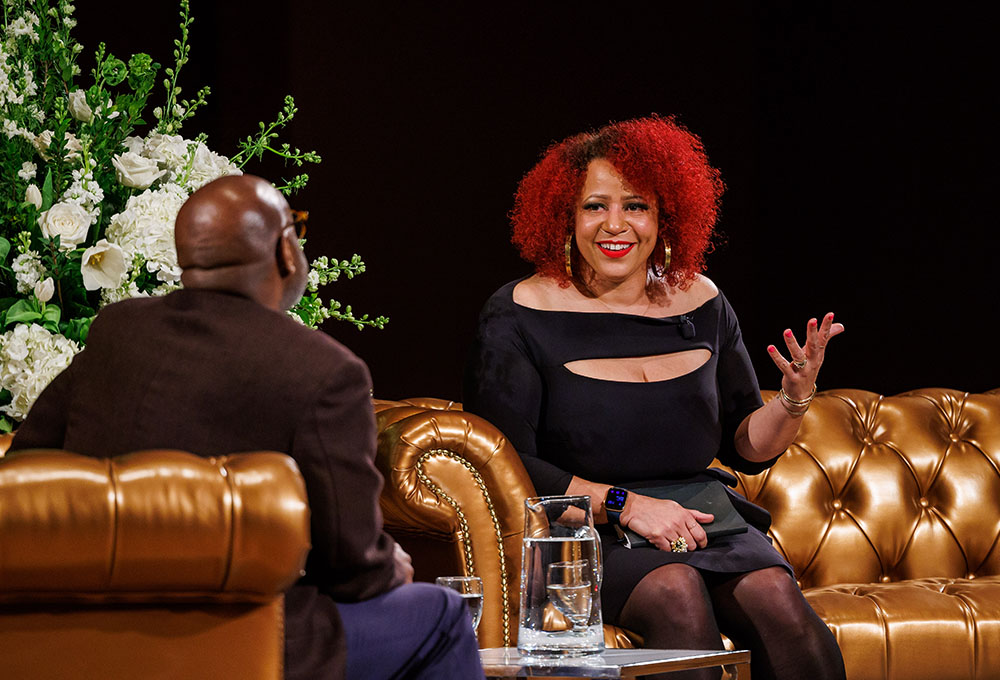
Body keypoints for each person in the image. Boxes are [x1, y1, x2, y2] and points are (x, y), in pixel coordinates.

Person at [10, 175, 485, 680]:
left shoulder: (117, 331)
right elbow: (354, 569)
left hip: (96, 643)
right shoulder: (324, 371)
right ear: (286, 251)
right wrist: (392, 564)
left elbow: (24, 470)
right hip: (250, 644)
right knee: (442, 616)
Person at [464, 116, 847, 680]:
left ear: (665, 217)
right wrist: (628, 505)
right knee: (676, 590)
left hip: (701, 518)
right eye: (595, 206)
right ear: (565, 218)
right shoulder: (519, 312)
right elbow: (512, 466)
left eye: (635, 206)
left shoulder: (703, 301)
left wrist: (793, 398)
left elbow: (746, 445)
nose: (614, 225)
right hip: (584, 531)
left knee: (776, 597)